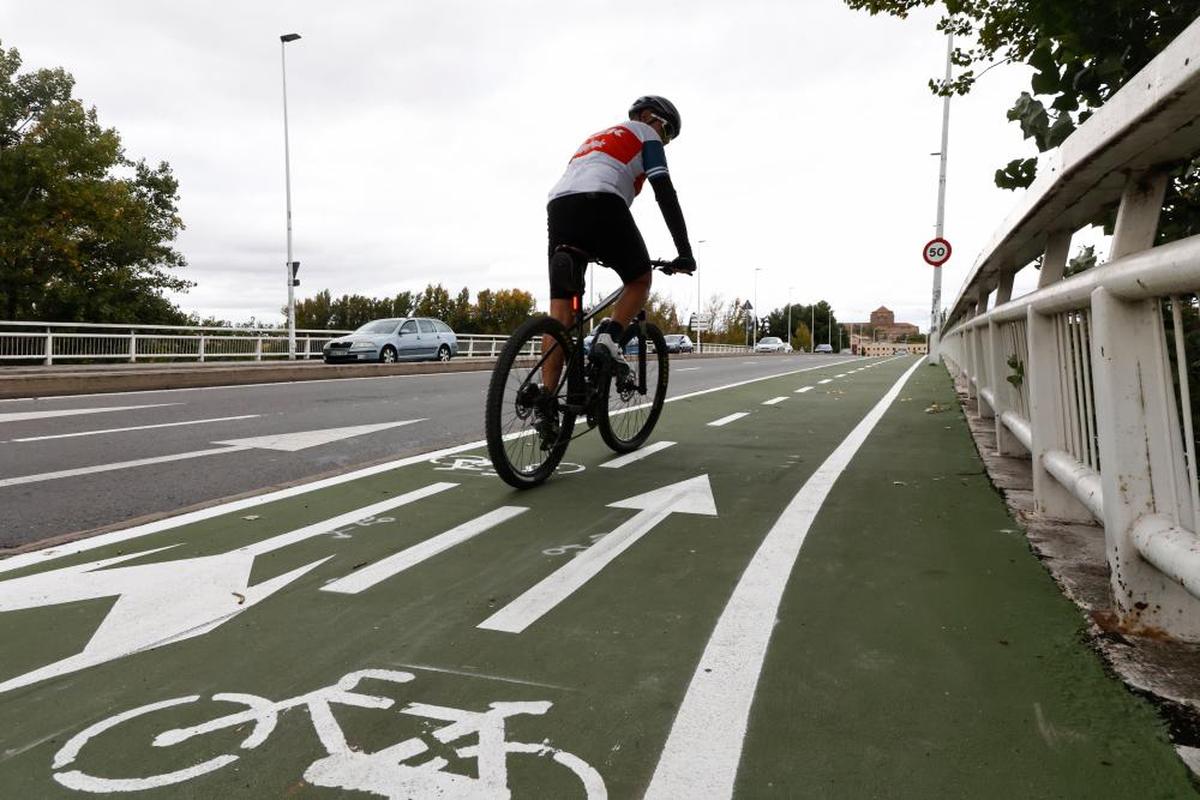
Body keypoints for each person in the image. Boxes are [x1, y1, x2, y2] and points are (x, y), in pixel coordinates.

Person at [537, 95, 696, 440]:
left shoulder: (596, 139)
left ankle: (546, 402)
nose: (665, 141)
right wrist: (685, 253)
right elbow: (664, 192)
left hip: (559, 207)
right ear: (649, 117)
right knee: (639, 278)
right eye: (667, 133)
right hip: (601, 201)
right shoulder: (645, 133)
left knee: (560, 311)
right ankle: (608, 338)